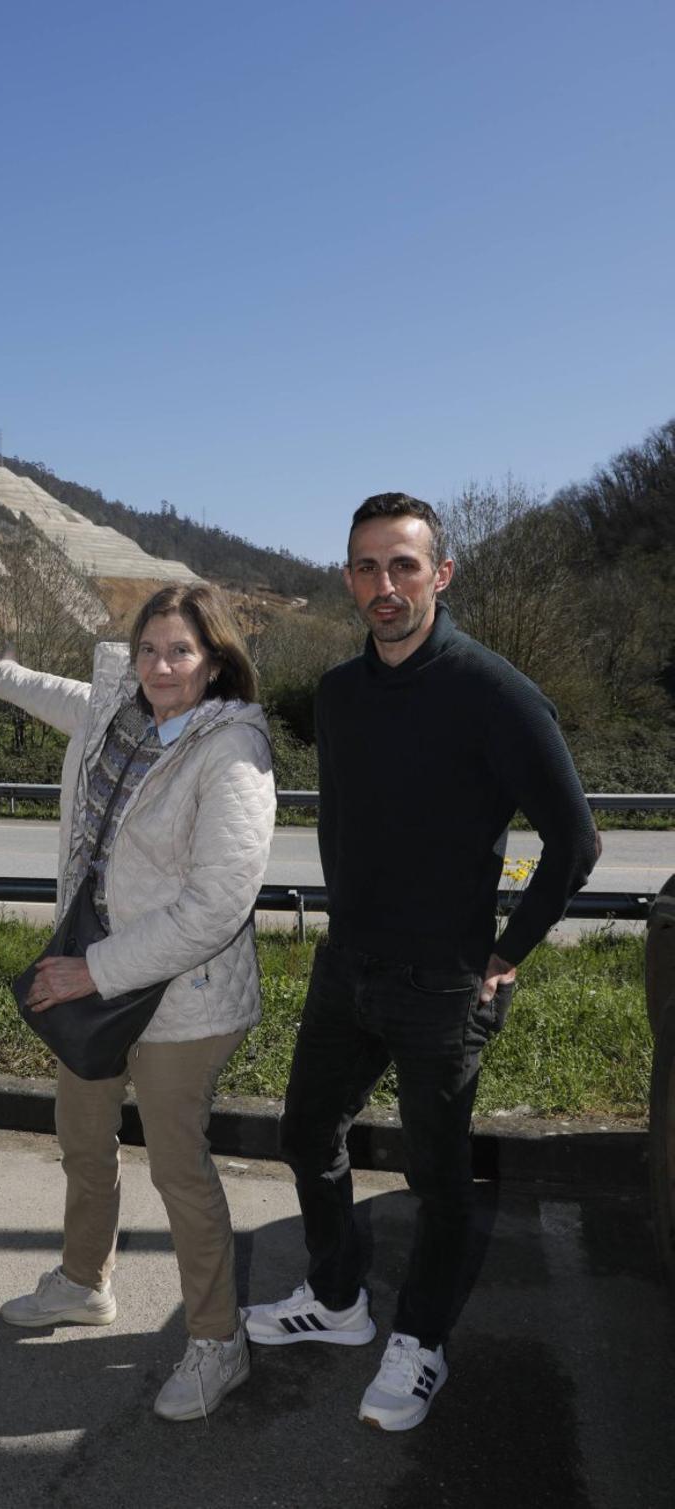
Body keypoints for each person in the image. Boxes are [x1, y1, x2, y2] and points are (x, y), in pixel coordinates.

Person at [244, 494, 598, 1431]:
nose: (385, 585)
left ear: (440, 573)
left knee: (437, 1179)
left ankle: (422, 1338)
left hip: (445, 981)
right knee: (305, 1135)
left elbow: (575, 842)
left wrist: (507, 952)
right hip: (348, 967)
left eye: (404, 564)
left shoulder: (494, 691)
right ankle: (338, 1298)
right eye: (366, 566)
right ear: (348, 579)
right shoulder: (337, 693)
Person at [0, 583, 275, 1422]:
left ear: (215, 660)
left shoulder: (233, 752)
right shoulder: (122, 716)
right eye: (148, 648)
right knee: (83, 1134)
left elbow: (216, 907)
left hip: (184, 994)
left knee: (178, 1168)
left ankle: (217, 1339)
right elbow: (54, 693)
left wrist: (92, 972)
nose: (160, 666)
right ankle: (84, 1280)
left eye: (181, 650)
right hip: (98, 974)